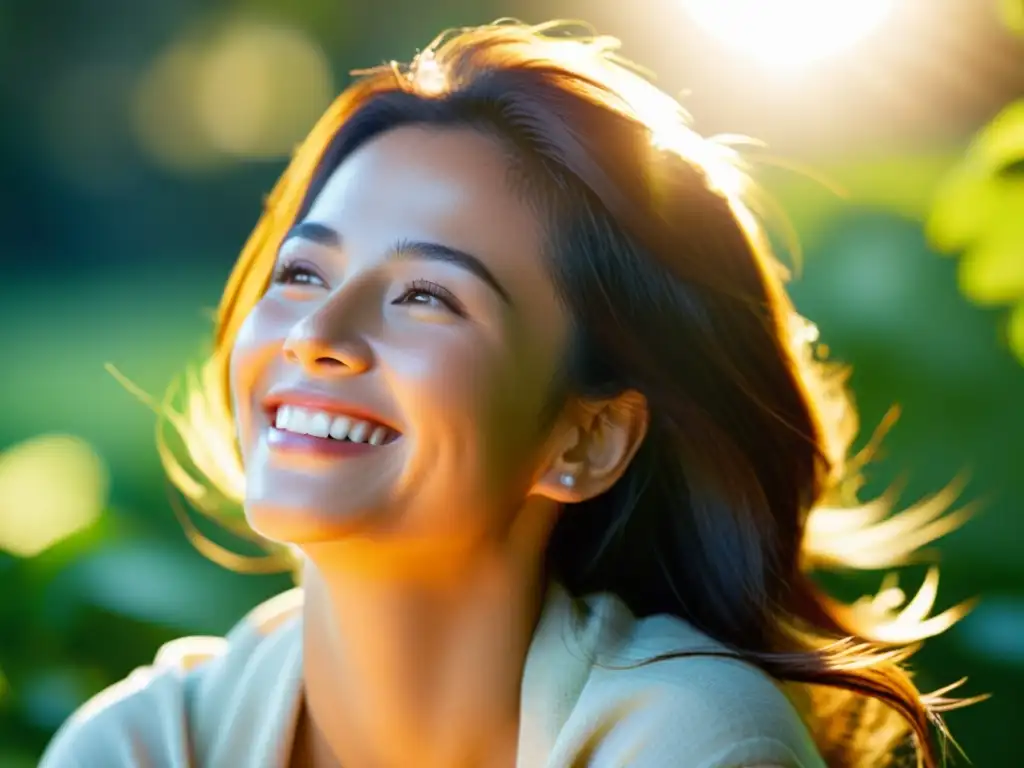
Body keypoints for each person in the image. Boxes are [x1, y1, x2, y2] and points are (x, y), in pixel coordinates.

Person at [40, 20, 974, 768]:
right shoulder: (139, 745)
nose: (316, 337)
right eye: (302, 275)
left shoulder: (693, 743)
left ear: (587, 441)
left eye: (426, 297)